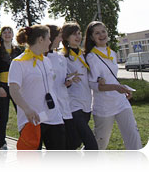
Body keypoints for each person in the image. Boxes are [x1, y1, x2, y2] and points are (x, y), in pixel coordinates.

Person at [85, 21, 142, 150]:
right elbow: (94, 86)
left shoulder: (112, 53)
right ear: (91, 37)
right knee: (100, 143)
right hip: (104, 106)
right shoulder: (91, 57)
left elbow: (112, 78)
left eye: (103, 31)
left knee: (133, 136)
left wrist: (123, 88)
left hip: (121, 102)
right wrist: (116, 88)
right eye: (97, 33)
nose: (101, 35)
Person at [9, 25, 65, 150]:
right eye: (49, 38)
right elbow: (13, 90)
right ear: (41, 39)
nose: (50, 42)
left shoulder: (46, 61)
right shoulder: (18, 63)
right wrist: (27, 109)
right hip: (32, 119)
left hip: (53, 117)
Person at [61, 22, 98, 150]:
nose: (78, 36)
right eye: (73, 34)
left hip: (87, 104)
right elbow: (59, 80)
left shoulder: (85, 55)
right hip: (73, 105)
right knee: (92, 145)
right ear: (66, 38)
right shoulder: (63, 57)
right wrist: (68, 79)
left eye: (79, 33)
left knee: (74, 143)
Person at [46, 24, 79, 150]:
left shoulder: (61, 57)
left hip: (65, 107)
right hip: (52, 109)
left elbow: (63, 78)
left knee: (72, 143)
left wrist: (68, 81)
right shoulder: (42, 58)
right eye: (59, 36)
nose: (61, 39)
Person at [0, 26, 21, 150]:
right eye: (5, 32)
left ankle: (24, 139)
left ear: (13, 35)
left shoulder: (18, 50)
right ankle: (2, 142)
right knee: (4, 115)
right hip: (3, 85)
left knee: (21, 114)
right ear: (1, 35)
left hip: (16, 86)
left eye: (10, 32)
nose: (7, 34)